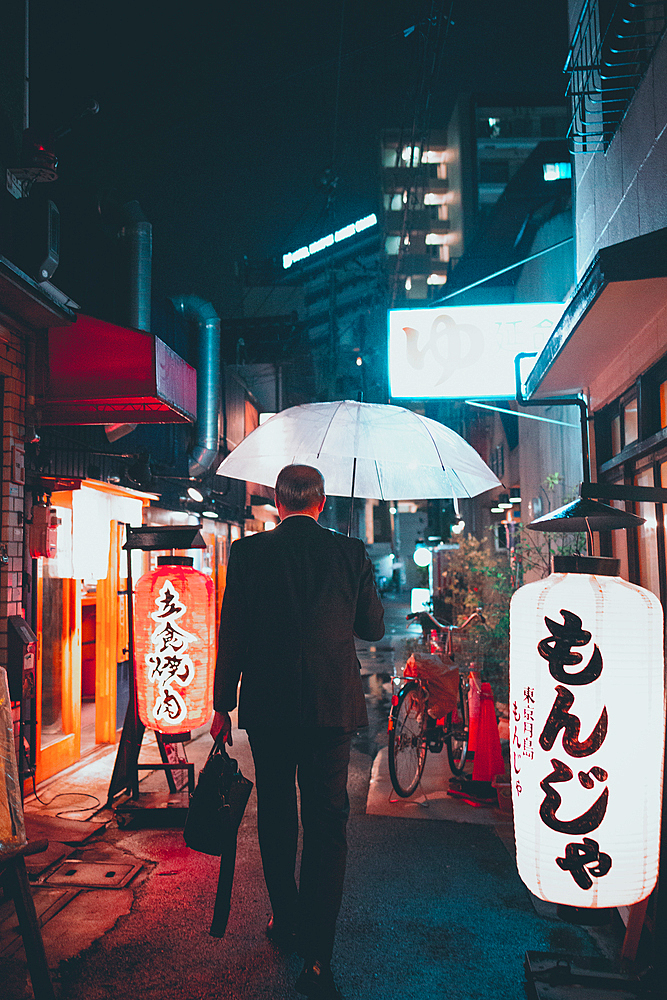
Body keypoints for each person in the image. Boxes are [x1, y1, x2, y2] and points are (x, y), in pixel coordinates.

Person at [211, 464, 384, 1000]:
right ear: (322, 502)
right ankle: (318, 954)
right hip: (332, 711)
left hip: (269, 709)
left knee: (278, 815)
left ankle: (284, 920)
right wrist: (356, 578)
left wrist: (222, 704)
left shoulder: (248, 555)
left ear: (277, 502)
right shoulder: (349, 553)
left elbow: (232, 632)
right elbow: (372, 629)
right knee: (327, 825)